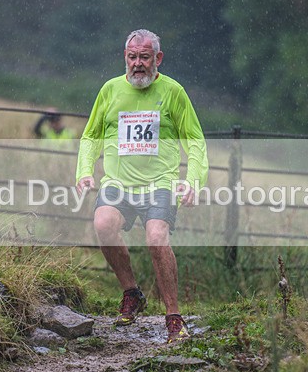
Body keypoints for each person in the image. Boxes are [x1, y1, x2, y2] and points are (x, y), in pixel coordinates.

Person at [75, 29, 208, 344]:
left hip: (159, 183)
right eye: (132, 57)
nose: (137, 64)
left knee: (156, 238)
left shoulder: (173, 92)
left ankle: (173, 317)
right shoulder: (110, 90)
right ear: (125, 57)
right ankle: (132, 292)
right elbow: (91, 136)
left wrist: (193, 181)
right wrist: (84, 171)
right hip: (118, 183)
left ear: (157, 58)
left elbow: (195, 141)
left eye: (144, 57)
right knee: (103, 224)